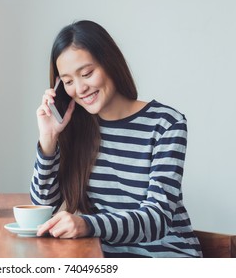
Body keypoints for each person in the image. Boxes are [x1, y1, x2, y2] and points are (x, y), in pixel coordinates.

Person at [30, 20, 202, 258]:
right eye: (68, 81)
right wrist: (48, 139)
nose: (79, 89)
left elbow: (157, 219)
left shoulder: (166, 124)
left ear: (109, 63)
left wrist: (88, 224)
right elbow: (43, 209)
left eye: (87, 73)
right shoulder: (77, 128)